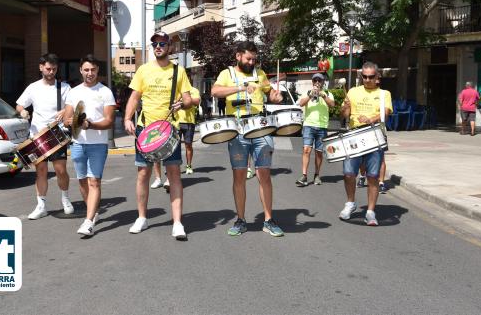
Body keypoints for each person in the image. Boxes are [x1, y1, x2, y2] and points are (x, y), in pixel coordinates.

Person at [211, 41, 285, 237]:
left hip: (261, 128)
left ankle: (268, 220)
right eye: (248, 58)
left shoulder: (260, 74)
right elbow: (215, 91)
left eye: (254, 59)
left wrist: (277, 97)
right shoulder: (228, 74)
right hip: (238, 131)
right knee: (239, 177)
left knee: (264, 175)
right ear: (238, 56)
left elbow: (271, 94)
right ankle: (241, 220)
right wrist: (241, 89)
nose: (252, 62)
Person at [124, 31, 193, 240]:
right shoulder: (143, 70)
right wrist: (127, 118)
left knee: (174, 175)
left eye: (162, 43)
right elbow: (135, 97)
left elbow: (189, 99)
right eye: (155, 43)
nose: (158, 46)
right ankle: (142, 218)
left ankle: (177, 223)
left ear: (169, 47)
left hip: (169, 129)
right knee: (143, 174)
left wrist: (182, 102)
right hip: (145, 130)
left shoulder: (178, 71)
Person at [63, 55, 116, 236]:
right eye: (86, 70)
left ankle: (88, 222)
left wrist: (90, 124)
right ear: (81, 71)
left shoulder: (105, 92)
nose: (90, 73)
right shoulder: (74, 92)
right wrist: (70, 121)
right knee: (83, 181)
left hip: (98, 144)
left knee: (94, 181)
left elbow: (109, 121)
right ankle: (92, 213)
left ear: (97, 71)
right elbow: (66, 118)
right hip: (77, 143)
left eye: (93, 70)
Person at [16, 53, 73, 220]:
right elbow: (20, 104)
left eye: (54, 69)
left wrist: (64, 111)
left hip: (56, 133)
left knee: (60, 170)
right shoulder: (33, 87)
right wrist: (23, 111)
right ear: (41, 67)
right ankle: (41, 206)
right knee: (40, 171)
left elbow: (72, 105)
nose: (51, 72)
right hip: (37, 135)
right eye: (48, 68)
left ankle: (66, 199)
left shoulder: (64, 87)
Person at [339, 62, 392, 226]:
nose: (367, 80)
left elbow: (386, 113)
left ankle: (370, 211)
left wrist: (371, 119)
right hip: (354, 137)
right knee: (348, 173)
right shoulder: (353, 92)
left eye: (371, 77)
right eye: (365, 76)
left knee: (373, 176)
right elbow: (343, 114)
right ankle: (350, 203)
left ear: (377, 78)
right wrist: (345, 109)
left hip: (374, 137)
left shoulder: (384, 94)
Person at [296, 73, 335, 187]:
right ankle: (304, 175)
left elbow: (332, 104)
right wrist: (310, 95)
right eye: (315, 81)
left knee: (319, 153)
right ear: (312, 82)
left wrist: (323, 95)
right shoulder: (307, 92)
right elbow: (301, 103)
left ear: (323, 83)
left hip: (322, 126)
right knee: (306, 150)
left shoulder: (327, 93)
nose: (317, 83)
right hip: (308, 125)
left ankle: (317, 175)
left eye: (320, 81)